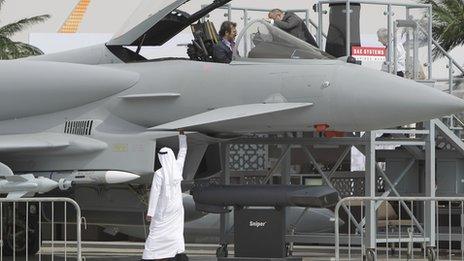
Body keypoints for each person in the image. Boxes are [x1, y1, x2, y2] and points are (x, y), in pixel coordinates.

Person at [142, 131, 188, 261]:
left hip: (163, 210)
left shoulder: (159, 173)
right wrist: (182, 136)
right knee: (175, 233)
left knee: (155, 235)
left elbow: (155, 194)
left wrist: (150, 212)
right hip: (177, 209)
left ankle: (153, 257)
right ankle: (173, 255)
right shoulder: (178, 167)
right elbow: (183, 151)